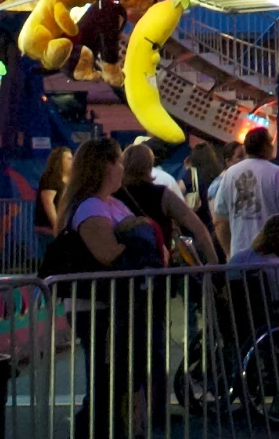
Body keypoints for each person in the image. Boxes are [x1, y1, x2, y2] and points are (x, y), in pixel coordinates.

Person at [56, 136, 164, 439]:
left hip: (121, 304)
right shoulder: (91, 207)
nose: (122, 167)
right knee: (106, 380)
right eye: (117, 160)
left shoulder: (111, 203)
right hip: (99, 307)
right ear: (104, 166)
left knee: (118, 378)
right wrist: (139, 242)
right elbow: (108, 255)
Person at [211, 125, 279, 260]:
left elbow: (219, 220)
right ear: (266, 147)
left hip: (240, 257)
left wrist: (229, 253)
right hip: (272, 258)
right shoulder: (278, 174)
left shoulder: (230, 174)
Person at [122, 140, 219, 264]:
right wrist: (213, 263)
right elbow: (197, 227)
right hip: (159, 266)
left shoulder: (115, 195)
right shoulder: (162, 194)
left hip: (124, 268)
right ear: (149, 165)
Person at [70, 0, 155, 85]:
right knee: (94, 49)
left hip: (87, 54)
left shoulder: (111, 8)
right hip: (76, 57)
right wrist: (113, 73)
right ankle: (82, 70)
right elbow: (108, 43)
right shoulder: (108, 11)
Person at [35, 145, 73, 241]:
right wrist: (57, 227)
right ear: (59, 161)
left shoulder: (69, 179)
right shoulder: (51, 178)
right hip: (49, 229)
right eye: (68, 159)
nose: (72, 161)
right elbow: (48, 202)